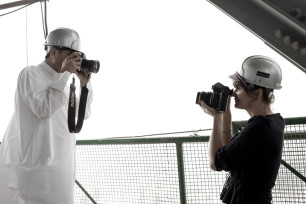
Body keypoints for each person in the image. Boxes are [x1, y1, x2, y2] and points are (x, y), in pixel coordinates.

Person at [0, 27, 93, 204]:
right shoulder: (30, 74)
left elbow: (84, 114)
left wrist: (83, 85)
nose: (76, 61)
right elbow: (43, 109)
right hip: (33, 169)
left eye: (78, 56)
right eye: (71, 55)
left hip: (61, 168)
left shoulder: (64, 85)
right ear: (53, 52)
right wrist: (65, 74)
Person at [200, 55, 284, 204]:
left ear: (257, 93)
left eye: (238, 88)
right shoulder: (274, 121)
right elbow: (230, 154)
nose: (233, 93)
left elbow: (215, 163)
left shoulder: (259, 126)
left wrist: (216, 118)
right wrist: (225, 113)